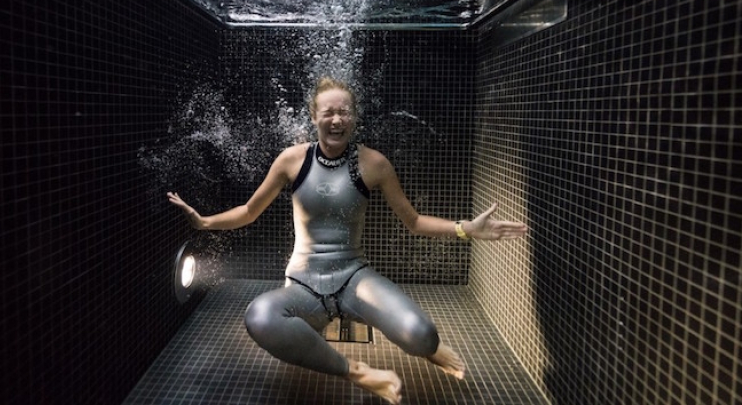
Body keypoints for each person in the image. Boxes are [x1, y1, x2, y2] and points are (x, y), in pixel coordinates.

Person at [167, 76, 528, 404]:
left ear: (354, 117)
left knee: (423, 336)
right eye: (329, 112)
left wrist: (466, 229)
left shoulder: (374, 164)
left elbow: (414, 221)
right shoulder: (291, 161)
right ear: (314, 117)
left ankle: (429, 349)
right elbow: (249, 211)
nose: (337, 119)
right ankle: (358, 373)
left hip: (356, 279)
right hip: (302, 285)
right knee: (260, 317)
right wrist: (204, 222)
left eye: (344, 112)